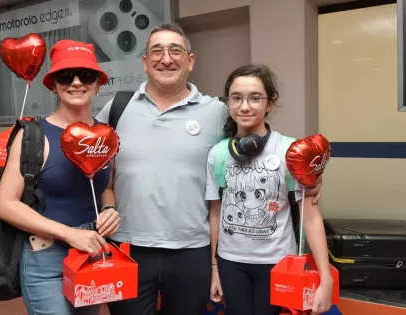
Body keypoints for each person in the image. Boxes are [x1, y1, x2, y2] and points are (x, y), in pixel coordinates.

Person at [96, 23, 323, 315]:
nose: (166, 58)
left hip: (194, 252)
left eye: (175, 50)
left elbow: (262, 146)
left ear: (190, 61)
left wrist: (310, 175)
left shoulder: (217, 111)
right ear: (144, 62)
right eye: (157, 51)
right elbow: (101, 174)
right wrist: (106, 208)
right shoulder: (117, 108)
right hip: (129, 248)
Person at [0, 39, 121, 315]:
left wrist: (109, 208)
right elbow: (5, 204)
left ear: (98, 83)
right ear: (53, 85)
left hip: (90, 253)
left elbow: (105, 186)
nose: (76, 82)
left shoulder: (104, 135)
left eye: (85, 75)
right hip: (46, 257)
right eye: (66, 76)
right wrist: (69, 234)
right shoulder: (32, 136)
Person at [206, 64, 333, 315]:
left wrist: (325, 278)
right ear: (228, 102)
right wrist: (214, 268)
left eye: (255, 98)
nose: (244, 106)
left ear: (269, 103)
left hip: (278, 263)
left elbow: (310, 215)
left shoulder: (290, 151)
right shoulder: (218, 153)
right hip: (231, 263)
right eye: (236, 98)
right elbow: (215, 213)